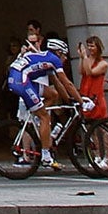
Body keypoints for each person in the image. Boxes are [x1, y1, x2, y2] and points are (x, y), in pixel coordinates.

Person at [8, 36, 77, 169]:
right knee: (45, 116)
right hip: (20, 81)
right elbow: (67, 82)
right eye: (65, 55)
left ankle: (38, 121)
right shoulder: (53, 59)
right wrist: (81, 101)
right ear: (58, 52)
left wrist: (69, 100)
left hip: (24, 79)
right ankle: (45, 157)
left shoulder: (46, 58)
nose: (66, 58)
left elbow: (57, 84)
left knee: (53, 95)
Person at [76, 38, 108, 121]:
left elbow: (89, 72)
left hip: (96, 97)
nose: (90, 48)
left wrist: (85, 57)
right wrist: (81, 57)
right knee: (88, 123)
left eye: (92, 46)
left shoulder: (103, 63)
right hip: (85, 94)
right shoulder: (87, 59)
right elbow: (81, 71)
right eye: (88, 46)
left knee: (101, 124)